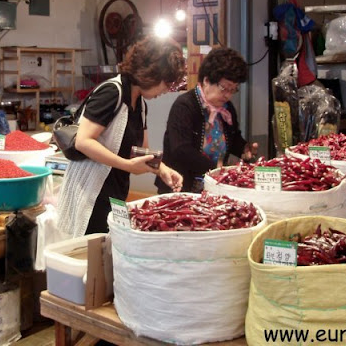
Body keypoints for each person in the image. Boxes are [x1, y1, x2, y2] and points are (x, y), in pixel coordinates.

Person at [57, 36, 186, 238]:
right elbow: (83, 141)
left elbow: (141, 151)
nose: (166, 90)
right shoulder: (112, 92)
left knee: (110, 253)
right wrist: (127, 165)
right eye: (166, 82)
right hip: (91, 194)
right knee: (92, 259)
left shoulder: (141, 105)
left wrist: (162, 169)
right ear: (152, 73)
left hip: (115, 194)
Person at [155, 47, 258, 194]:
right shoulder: (184, 105)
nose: (228, 95)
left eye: (233, 90)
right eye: (224, 88)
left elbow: (233, 138)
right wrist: (216, 167)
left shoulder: (226, 108)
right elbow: (181, 149)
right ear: (206, 80)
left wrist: (244, 148)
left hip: (213, 187)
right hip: (180, 185)